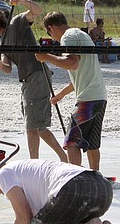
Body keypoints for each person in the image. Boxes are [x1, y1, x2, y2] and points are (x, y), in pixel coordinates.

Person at [0, 0, 67, 162]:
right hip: (27, 80)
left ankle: (45, 161)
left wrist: (22, 0)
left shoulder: (16, 23)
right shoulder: (2, 42)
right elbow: (8, 69)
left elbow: (38, 10)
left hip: (37, 75)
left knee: (34, 126)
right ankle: (53, 159)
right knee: (35, 126)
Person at [0, 159, 119, 224]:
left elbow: (24, 218)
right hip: (103, 188)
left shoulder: (2, 174)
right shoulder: (25, 169)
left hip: (71, 187)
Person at [36, 11, 107, 171]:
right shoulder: (82, 34)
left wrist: (47, 57)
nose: (53, 38)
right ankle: (95, 175)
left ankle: (73, 176)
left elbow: (72, 63)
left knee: (71, 141)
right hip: (100, 96)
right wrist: (60, 95)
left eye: (49, 33)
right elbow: (81, 75)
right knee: (91, 142)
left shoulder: (68, 37)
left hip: (88, 99)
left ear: (51, 27)